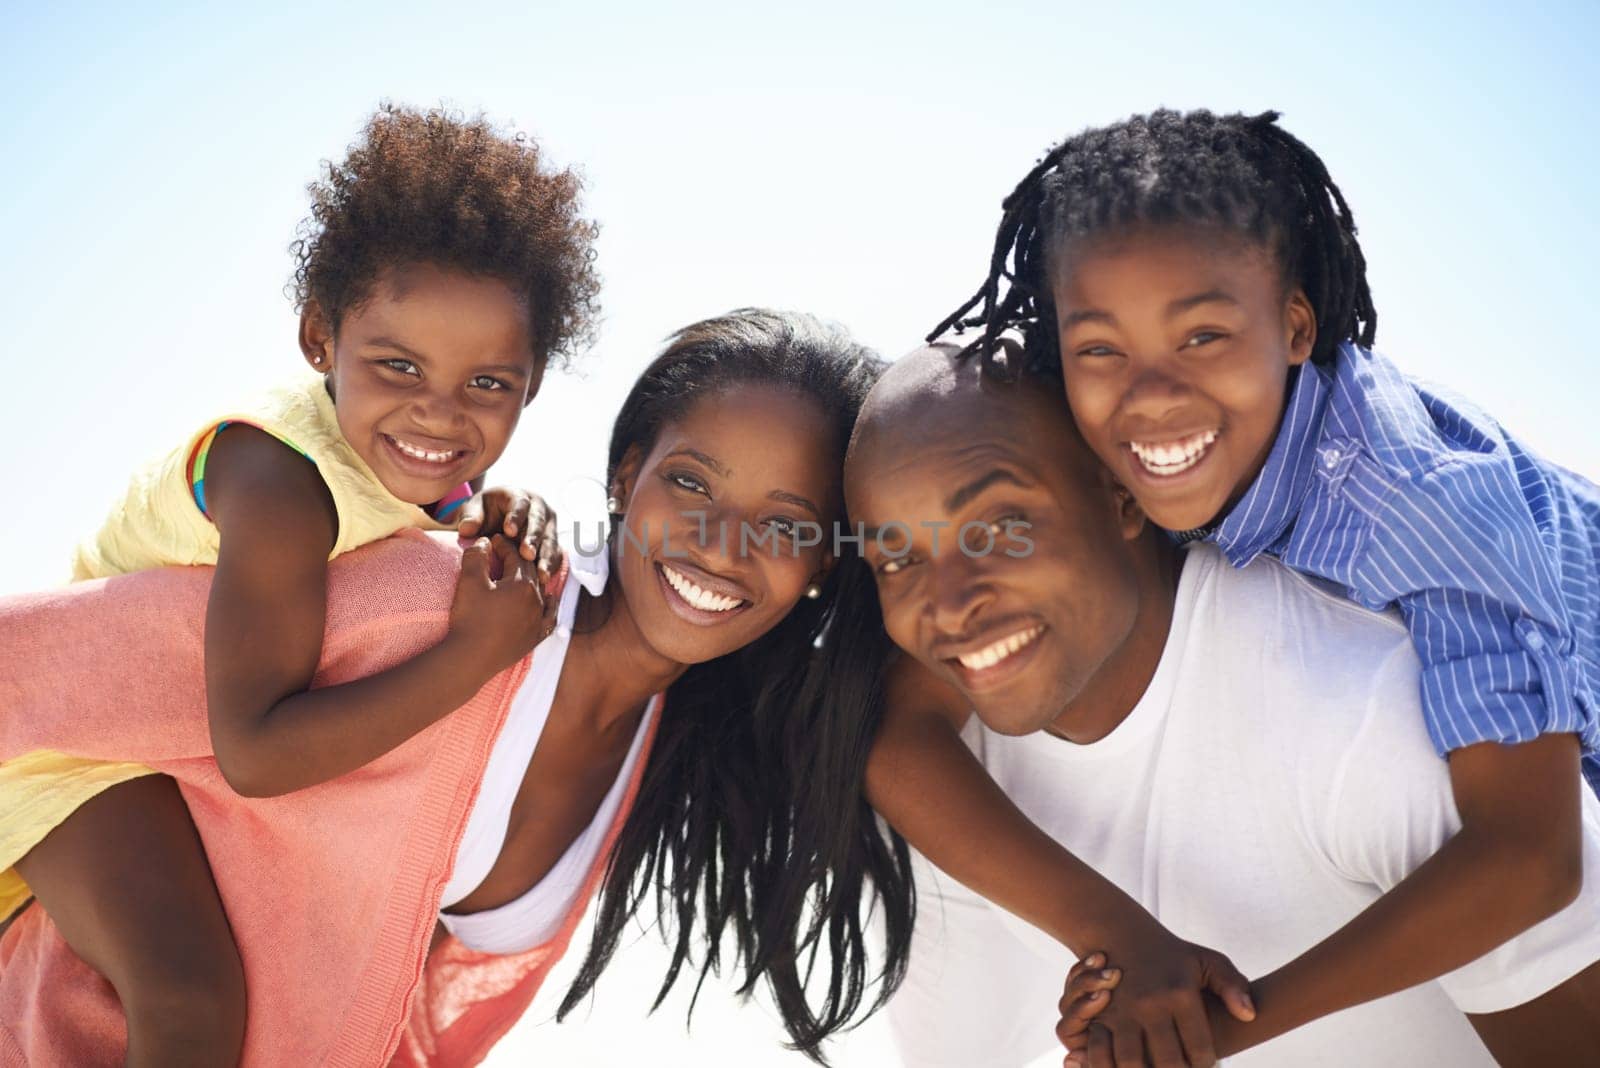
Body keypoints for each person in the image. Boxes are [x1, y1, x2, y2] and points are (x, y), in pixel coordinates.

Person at [866, 107, 1599, 1058]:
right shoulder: (1132, 472)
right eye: (1101, 349)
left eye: (1202, 336)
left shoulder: (1411, 508)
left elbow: (1533, 861)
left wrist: (1221, 1018)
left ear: (1296, 325)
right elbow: (904, 731)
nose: (1151, 393)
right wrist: (1118, 932)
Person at [0, 309, 897, 1067]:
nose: (721, 544)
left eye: (785, 523)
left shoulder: (659, 757)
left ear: (827, 560)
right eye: (691, 481)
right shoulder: (445, 599)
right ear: (626, 476)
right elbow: (41, 663)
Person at [0, 101, 597, 1066]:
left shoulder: (427, 458)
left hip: (169, 747)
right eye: (397, 365)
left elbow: (440, 494)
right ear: (320, 337)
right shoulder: (281, 488)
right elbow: (258, 754)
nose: (439, 413)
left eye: (489, 384)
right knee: (190, 999)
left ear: (530, 384)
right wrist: (473, 655)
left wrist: (504, 506)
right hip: (79, 748)